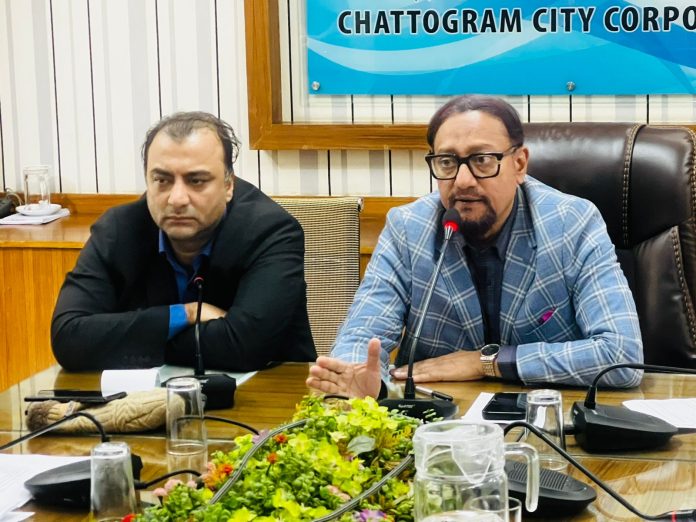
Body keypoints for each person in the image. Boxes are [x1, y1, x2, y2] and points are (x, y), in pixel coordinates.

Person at [307, 95, 642, 399]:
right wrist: (369, 384)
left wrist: (485, 361)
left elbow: (622, 355)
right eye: (447, 162)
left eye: (482, 160)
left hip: (549, 418)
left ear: (519, 164)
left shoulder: (571, 223)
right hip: (437, 422)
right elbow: (360, 339)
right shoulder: (408, 229)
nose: (463, 181)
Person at [52, 111, 316, 371]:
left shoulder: (271, 231)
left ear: (228, 186)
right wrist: (186, 314)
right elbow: (69, 338)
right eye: (162, 180)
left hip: (268, 392)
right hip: (146, 395)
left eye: (196, 181)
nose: (177, 199)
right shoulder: (118, 230)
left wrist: (131, 341)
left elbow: (245, 347)